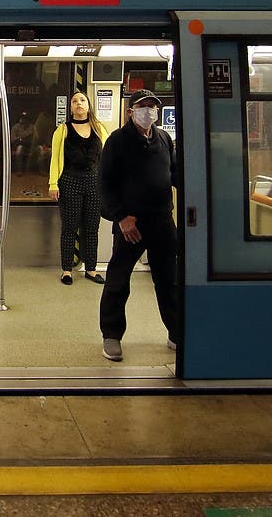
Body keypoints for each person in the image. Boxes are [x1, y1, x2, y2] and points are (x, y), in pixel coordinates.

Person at [98, 88, 180, 361]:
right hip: (130, 224)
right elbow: (105, 183)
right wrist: (121, 216)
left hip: (162, 220)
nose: (149, 111)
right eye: (143, 106)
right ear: (132, 111)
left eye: (152, 106)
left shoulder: (165, 139)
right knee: (118, 280)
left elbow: (175, 175)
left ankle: (176, 332)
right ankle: (111, 335)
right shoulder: (118, 141)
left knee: (169, 280)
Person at [48, 91, 109, 285]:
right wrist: (53, 183)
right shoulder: (63, 129)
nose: (79, 103)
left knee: (92, 228)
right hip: (69, 182)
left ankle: (91, 269)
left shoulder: (99, 128)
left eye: (82, 100)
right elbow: (55, 159)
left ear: (89, 105)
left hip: (94, 183)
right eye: (75, 101)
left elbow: (107, 158)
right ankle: (67, 270)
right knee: (69, 228)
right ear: (71, 107)